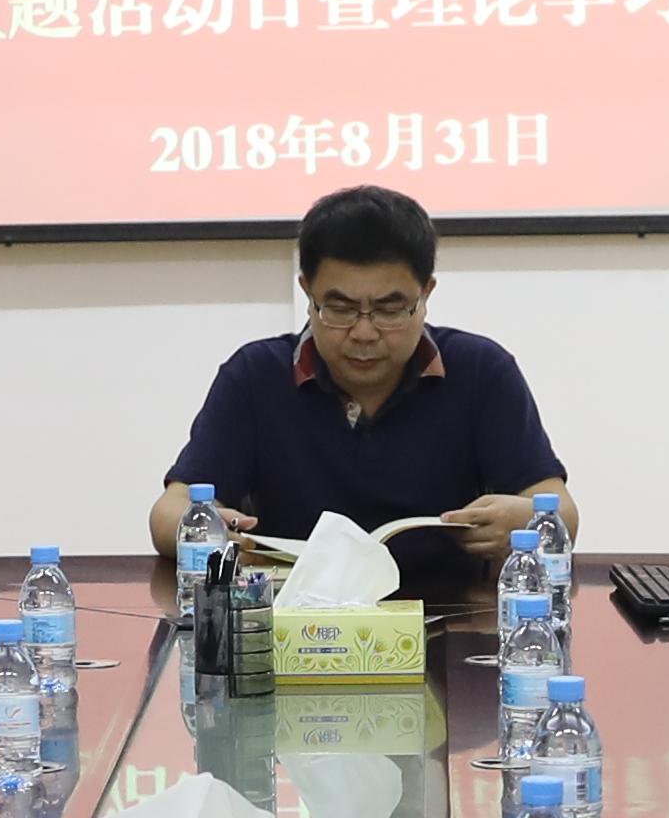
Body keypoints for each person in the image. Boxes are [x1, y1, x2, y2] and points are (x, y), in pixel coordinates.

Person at [143, 184, 573, 602]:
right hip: (296, 628)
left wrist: (526, 520)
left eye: (389, 310)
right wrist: (209, 527)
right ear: (307, 292)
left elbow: (561, 513)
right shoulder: (256, 376)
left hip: (450, 621)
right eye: (341, 309)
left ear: (426, 293)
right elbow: (169, 511)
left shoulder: (482, 371)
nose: (364, 333)